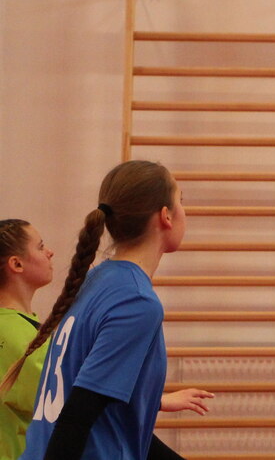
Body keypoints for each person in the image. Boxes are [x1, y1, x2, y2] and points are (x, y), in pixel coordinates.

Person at [2, 162, 214, 460]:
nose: (184, 211)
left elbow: (115, 423)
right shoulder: (135, 301)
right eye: (181, 200)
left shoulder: (100, 279)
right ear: (165, 215)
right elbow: (77, 417)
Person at [1, 220, 55, 460]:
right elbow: (61, 402)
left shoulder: (20, 327)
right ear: (17, 264)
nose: (49, 252)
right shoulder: (21, 337)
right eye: (41, 246)